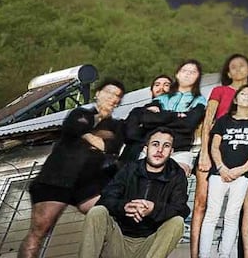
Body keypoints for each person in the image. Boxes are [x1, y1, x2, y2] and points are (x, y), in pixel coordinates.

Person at [21, 79, 126, 258]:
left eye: (117, 96)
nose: (112, 98)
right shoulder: (80, 113)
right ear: (98, 93)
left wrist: (92, 137)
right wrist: (97, 136)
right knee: (39, 230)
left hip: (89, 184)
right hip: (57, 179)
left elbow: (111, 147)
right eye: (109, 92)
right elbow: (76, 128)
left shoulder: (117, 126)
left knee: (111, 220)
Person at [193, 53, 248, 258]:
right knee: (202, 203)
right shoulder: (219, 91)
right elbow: (208, 121)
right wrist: (205, 154)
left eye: (242, 66)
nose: (237, 69)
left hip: (243, 160)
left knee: (246, 207)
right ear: (228, 72)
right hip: (216, 155)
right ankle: (197, 254)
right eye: (232, 67)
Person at [78, 126, 189, 258]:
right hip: (118, 240)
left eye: (166, 146)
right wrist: (125, 206)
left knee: (177, 222)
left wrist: (153, 209)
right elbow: (106, 198)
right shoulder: (129, 169)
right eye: (155, 144)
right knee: (97, 212)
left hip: (150, 245)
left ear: (171, 151)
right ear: (145, 148)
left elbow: (181, 208)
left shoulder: (176, 174)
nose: (160, 150)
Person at [145, 60, 207, 175]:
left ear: (198, 77)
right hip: (153, 147)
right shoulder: (163, 98)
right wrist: (178, 116)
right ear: (177, 74)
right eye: (184, 71)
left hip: (180, 149)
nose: (188, 74)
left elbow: (189, 125)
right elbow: (148, 119)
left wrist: (162, 117)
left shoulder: (199, 101)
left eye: (193, 72)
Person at [121, 75, 171, 165]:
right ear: (151, 90)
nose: (161, 88)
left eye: (166, 85)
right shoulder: (138, 111)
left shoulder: (176, 113)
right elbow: (130, 134)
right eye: (157, 85)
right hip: (132, 159)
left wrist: (144, 124)